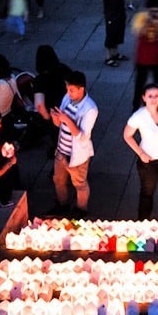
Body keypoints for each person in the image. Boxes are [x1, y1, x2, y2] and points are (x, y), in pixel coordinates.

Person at [123, 83, 158, 221]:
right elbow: (127, 135)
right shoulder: (138, 116)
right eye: (150, 96)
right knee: (147, 193)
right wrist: (141, 153)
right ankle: (143, 222)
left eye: (156, 96)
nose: (153, 99)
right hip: (149, 162)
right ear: (144, 98)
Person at [48, 70, 98, 219]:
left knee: (80, 183)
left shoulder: (90, 109)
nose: (68, 93)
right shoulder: (67, 99)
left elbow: (82, 136)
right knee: (58, 179)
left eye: (71, 90)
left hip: (76, 156)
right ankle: (62, 205)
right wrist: (56, 118)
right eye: (67, 89)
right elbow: (59, 124)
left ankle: (81, 210)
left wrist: (66, 119)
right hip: (62, 149)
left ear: (81, 89)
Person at [130, 0, 158, 109]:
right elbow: (137, 32)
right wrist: (147, 21)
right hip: (142, 58)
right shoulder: (140, 18)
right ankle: (136, 105)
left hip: (157, 57)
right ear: (147, 10)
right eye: (152, 11)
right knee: (139, 83)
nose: (155, 14)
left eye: (157, 11)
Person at [33, 45, 70, 157]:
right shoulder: (64, 69)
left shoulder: (40, 79)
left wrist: (47, 117)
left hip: (54, 112)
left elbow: (39, 104)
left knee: (56, 136)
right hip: (68, 108)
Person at [102, 0, 128, 67]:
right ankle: (108, 57)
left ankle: (115, 53)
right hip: (111, 14)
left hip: (120, 12)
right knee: (111, 35)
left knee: (118, 33)